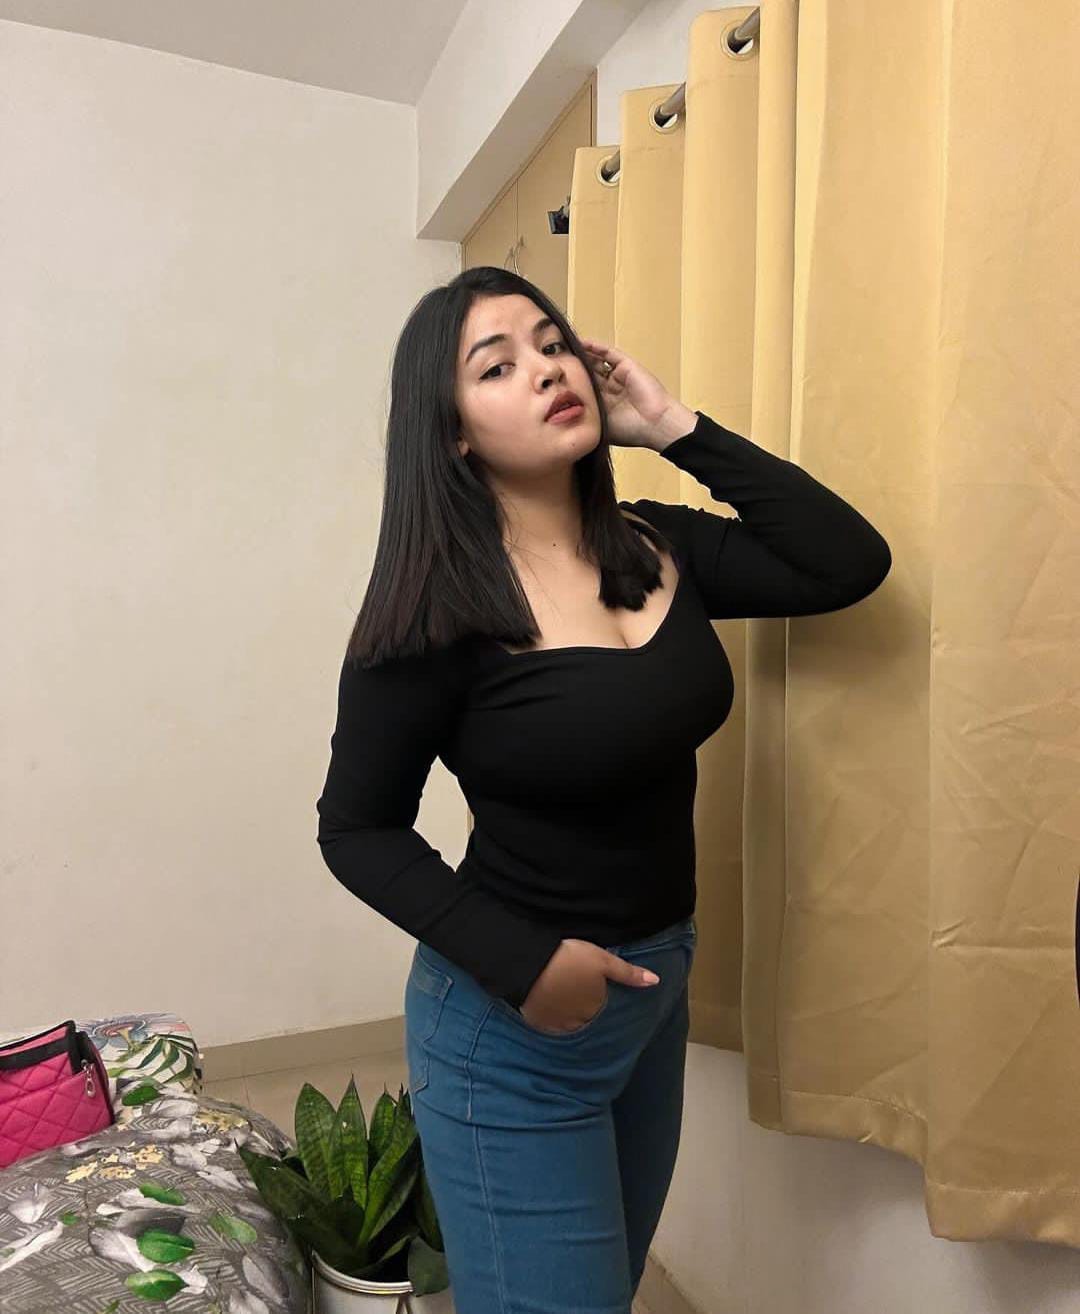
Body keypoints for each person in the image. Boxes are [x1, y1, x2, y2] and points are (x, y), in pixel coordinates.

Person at [315, 266, 892, 1311]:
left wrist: (673, 426)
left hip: (653, 990)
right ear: (452, 434)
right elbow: (357, 830)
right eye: (498, 366)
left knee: (602, 1293)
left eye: (554, 344)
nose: (547, 370)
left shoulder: (660, 547)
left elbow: (845, 563)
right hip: (511, 1023)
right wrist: (524, 962)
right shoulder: (434, 611)